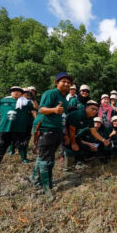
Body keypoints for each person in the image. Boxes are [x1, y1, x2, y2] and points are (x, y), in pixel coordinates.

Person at [31, 72, 73, 200]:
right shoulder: (51, 93)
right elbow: (42, 109)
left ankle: (35, 178)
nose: (66, 84)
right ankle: (46, 186)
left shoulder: (65, 100)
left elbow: (63, 118)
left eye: (68, 82)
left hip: (57, 130)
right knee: (47, 160)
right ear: (57, 82)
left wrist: (64, 133)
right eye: (63, 81)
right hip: (45, 129)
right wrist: (54, 110)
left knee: (44, 156)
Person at [0, 86, 34, 167]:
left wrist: (33, 99)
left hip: (20, 128)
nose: (16, 92)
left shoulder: (26, 102)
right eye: (14, 91)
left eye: (18, 91)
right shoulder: (4, 100)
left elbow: (35, 108)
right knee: (3, 144)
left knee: (22, 144)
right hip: (5, 128)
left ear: (22, 93)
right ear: (11, 92)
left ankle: (24, 159)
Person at [64, 100, 108, 170]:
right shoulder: (79, 114)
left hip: (74, 134)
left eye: (96, 110)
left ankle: (75, 164)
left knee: (81, 147)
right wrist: (73, 143)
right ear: (86, 107)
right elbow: (71, 130)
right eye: (92, 109)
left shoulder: (90, 118)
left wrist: (103, 140)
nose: (94, 111)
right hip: (64, 132)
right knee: (70, 149)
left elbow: (94, 132)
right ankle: (67, 169)